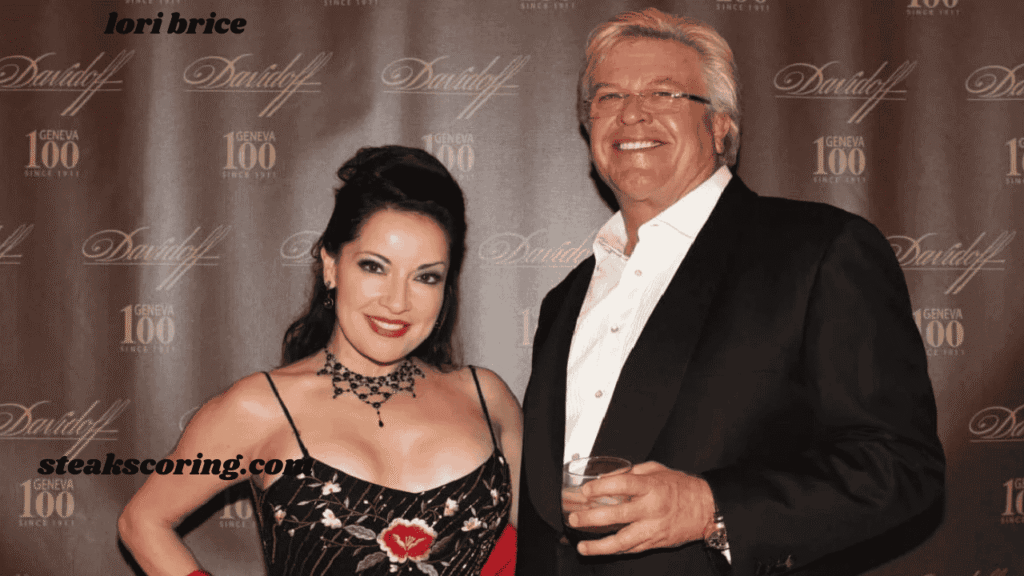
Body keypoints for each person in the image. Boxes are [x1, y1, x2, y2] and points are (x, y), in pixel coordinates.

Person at [517, 8, 944, 576]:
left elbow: (900, 466)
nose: (632, 112)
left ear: (719, 126)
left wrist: (712, 509)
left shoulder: (819, 251)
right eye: (609, 96)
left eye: (664, 93)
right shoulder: (566, 298)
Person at [119, 145, 522, 576]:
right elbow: (143, 522)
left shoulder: (486, 397)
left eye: (426, 277)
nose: (397, 301)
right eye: (374, 267)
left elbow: (545, 539)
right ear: (331, 266)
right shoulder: (261, 407)